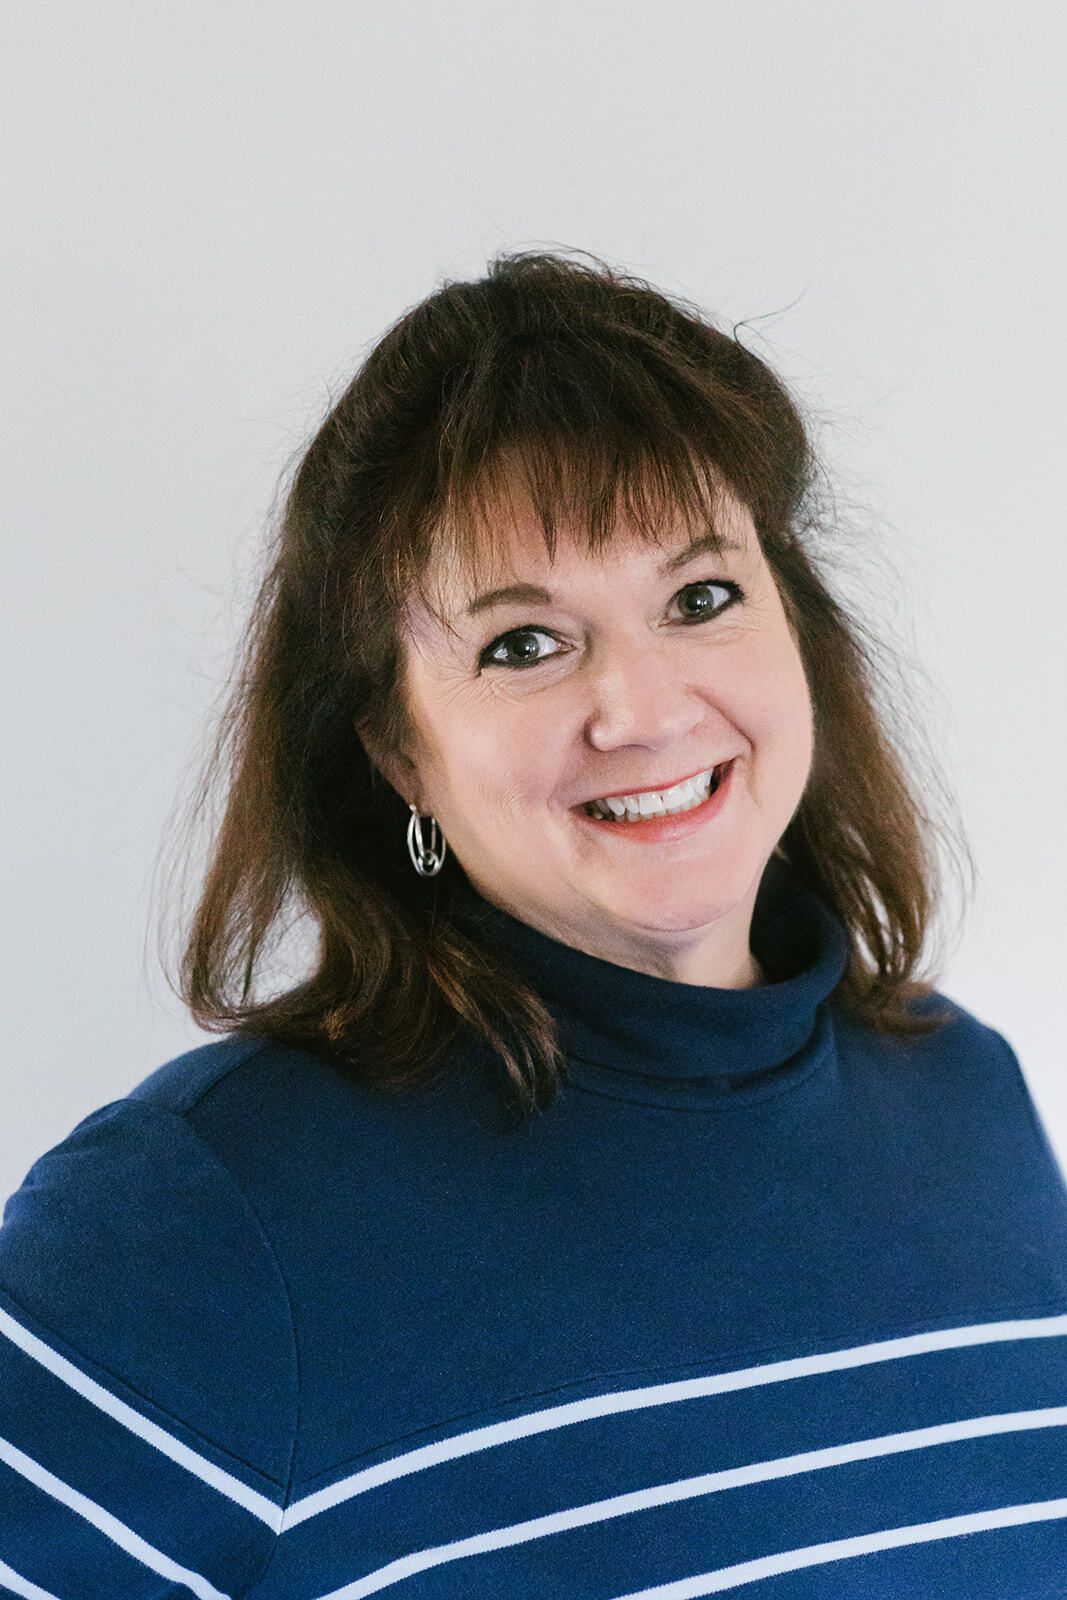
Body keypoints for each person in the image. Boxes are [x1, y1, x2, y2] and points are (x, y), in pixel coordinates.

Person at [2, 250, 1066, 1598]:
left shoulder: (966, 1102)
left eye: (700, 598)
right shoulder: (198, 1225)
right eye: (523, 643)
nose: (641, 708)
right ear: (395, 746)